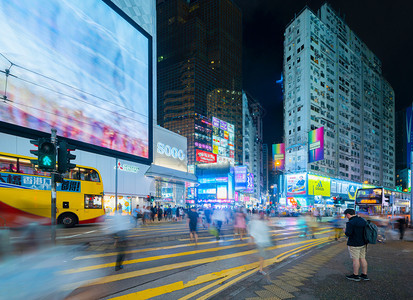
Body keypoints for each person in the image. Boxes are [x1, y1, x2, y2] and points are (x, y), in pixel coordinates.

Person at [344, 208, 369, 281]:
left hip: (354, 244)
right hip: (363, 243)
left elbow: (348, 234)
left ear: (348, 214)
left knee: (355, 260)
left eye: (346, 215)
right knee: (363, 259)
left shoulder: (350, 223)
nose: (346, 217)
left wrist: (345, 231)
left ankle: (355, 275)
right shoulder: (362, 220)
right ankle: (364, 275)